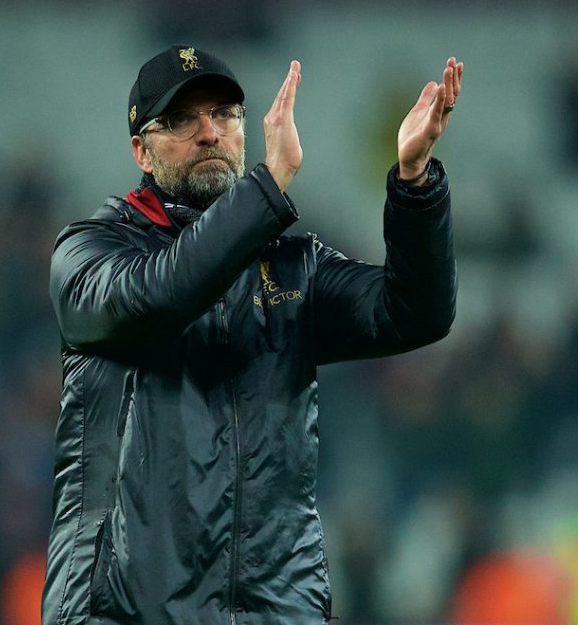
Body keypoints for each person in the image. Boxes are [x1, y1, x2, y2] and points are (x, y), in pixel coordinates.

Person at [43, 44, 463, 624]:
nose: (209, 133)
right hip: (128, 610)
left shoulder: (292, 268)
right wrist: (269, 186)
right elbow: (163, 296)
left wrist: (414, 184)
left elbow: (415, 313)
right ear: (140, 150)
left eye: (224, 114)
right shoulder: (91, 253)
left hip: (275, 610)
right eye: (181, 120)